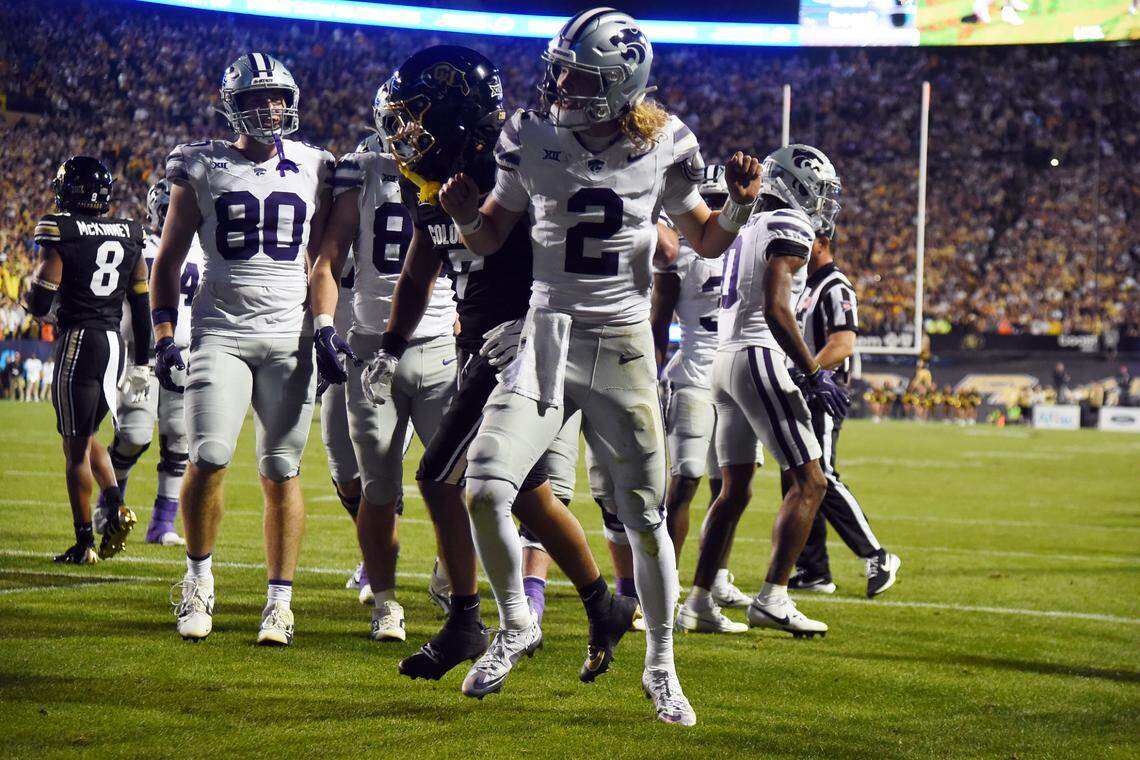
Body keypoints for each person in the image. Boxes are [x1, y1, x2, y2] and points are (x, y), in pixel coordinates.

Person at [438, 9, 762, 725]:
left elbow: (706, 240)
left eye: (577, 75)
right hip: (547, 335)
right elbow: (491, 235)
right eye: (558, 70)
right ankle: (517, 624)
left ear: (621, 84)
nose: (559, 84)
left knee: (644, 518)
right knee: (487, 490)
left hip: (622, 344)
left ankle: (662, 667)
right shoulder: (530, 132)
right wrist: (464, 216)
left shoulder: (667, 142)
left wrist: (739, 208)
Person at [359, 45, 636, 683]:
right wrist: (393, 344)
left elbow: (571, 251)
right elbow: (423, 261)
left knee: (437, 477)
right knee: (531, 495)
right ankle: (605, 604)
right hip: (480, 337)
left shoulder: (519, 158)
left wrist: (538, 325)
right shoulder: (436, 171)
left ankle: (466, 620)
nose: (404, 131)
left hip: (522, 342)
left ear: (456, 113)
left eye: (416, 115)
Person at [151, 53, 334, 645]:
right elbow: (168, 258)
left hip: (290, 335)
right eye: (258, 99)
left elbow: (329, 258)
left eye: (278, 98)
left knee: (281, 468)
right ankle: (198, 579)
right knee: (208, 456)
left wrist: (332, 325)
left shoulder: (316, 165)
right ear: (233, 104)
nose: (271, 109)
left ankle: (279, 601)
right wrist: (161, 334)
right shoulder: (201, 165)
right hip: (220, 332)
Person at [679, 144, 850, 638]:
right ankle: (773, 597)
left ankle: (698, 602)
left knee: (733, 491)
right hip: (756, 354)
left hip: (724, 358)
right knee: (811, 481)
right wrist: (813, 372)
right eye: (819, 190)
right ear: (798, 186)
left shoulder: (748, 221)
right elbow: (778, 308)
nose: (824, 202)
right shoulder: (790, 224)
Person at [309, 94, 462, 643]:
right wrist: (325, 324)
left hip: (441, 343)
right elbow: (327, 257)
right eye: (399, 121)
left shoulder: (456, 169)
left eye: (417, 121)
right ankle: (387, 601)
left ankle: (455, 586)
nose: (408, 132)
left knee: (456, 480)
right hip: (373, 342)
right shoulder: (365, 170)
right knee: (377, 486)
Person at [26, 155, 150, 563]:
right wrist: (143, 362)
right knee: (88, 434)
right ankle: (115, 503)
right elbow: (142, 308)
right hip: (115, 345)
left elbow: (40, 298)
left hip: (79, 339)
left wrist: (34, 298)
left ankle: (84, 544)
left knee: (74, 449)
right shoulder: (131, 232)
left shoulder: (62, 230)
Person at [651, 165, 754, 620]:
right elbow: (658, 323)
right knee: (687, 480)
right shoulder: (682, 258)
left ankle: (714, 580)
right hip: (693, 375)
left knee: (731, 487)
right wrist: (652, 376)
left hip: (732, 377)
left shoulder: (749, 252)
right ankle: (666, 586)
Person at [786, 202, 901, 598]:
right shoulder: (810, 287)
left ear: (820, 243)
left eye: (805, 240)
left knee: (822, 477)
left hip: (824, 393)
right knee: (797, 481)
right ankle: (814, 570)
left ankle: (877, 555)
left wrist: (806, 372)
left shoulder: (835, 286)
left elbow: (842, 343)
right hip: (806, 391)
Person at [100, 180, 204, 547]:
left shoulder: (203, 247)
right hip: (139, 352)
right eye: (164, 205)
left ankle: (162, 524)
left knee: (179, 439)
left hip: (186, 351)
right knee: (133, 435)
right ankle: (109, 505)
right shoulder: (137, 243)